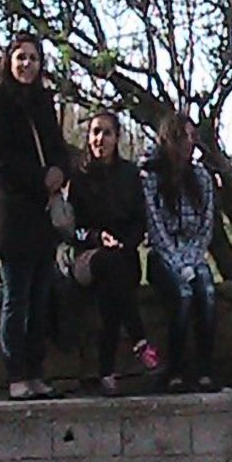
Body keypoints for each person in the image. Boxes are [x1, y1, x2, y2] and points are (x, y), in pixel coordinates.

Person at [0, 32, 72, 401]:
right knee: (16, 298)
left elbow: (57, 147)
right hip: (14, 214)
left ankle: (36, 373)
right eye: (21, 58)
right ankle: (16, 374)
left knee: (40, 297)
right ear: (9, 61)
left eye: (33, 59)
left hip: (41, 217)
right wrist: (40, 178)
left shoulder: (43, 101)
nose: (27, 65)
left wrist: (61, 172)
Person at [67, 110, 160, 396]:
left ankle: (107, 372)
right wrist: (97, 237)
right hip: (89, 258)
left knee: (113, 288)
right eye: (95, 132)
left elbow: (139, 222)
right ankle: (140, 341)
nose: (100, 139)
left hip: (123, 257)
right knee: (109, 268)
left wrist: (123, 243)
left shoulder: (130, 175)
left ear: (117, 138)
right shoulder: (79, 178)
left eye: (106, 133)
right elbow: (73, 230)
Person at [141, 112, 218, 393]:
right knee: (182, 296)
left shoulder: (202, 177)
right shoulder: (150, 176)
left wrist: (193, 258)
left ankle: (205, 368)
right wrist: (177, 262)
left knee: (207, 293)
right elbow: (155, 226)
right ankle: (174, 367)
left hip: (194, 253)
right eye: (184, 136)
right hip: (164, 256)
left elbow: (207, 224)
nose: (190, 143)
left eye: (192, 137)